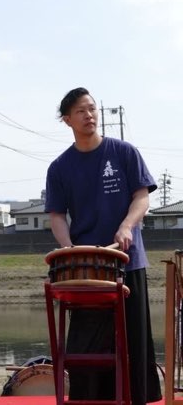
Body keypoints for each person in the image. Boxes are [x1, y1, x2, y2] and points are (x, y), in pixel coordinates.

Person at [45, 87, 161, 404]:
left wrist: (126, 225)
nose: (90, 115)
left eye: (92, 109)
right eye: (81, 111)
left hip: (128, 258)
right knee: (86, 344)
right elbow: (56, 216)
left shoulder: (124, 152)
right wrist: (69, 249)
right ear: (67, 120)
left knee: (132, 341)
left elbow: (142, 196)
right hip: (86, 268)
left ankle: (134, 398)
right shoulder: (59, 168)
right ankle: (88, 400)